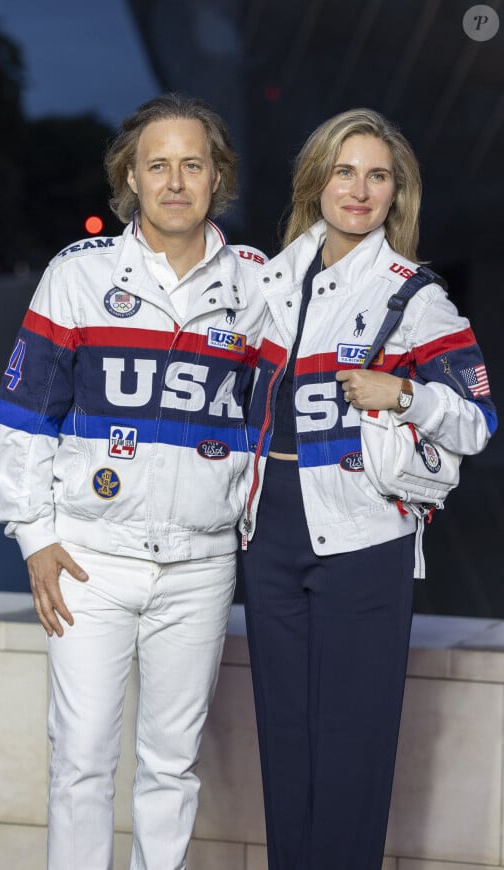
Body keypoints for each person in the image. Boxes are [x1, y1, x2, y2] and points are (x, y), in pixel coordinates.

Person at [0, 92, 267, 870]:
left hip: (201, 565)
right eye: (158, 165)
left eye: (193, 164)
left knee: (171, 766)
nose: (176, 181)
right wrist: (35, 536)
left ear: (217, 178)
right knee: (79, 761)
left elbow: (276, 419)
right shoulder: (77, 279)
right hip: (88, 562)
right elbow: (20, 419)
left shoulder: (257, 287)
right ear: (131, 180)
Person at [238, 107, 497, 870]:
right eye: (344, 171)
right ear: (315, 180)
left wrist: (407, 396)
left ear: (396, 194)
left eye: (377, 175)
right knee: (285, 744)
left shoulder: (414, 297)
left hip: (364, 541)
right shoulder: (267, 281)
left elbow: (479, 422)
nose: (359, 189)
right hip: (269, 536)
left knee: (352, 749)